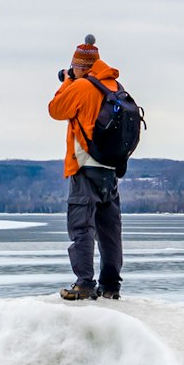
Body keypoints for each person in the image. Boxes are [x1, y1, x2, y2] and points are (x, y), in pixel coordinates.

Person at [48, 35, 123, 300]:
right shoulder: (114, 85)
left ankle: (84, 284)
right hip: (110, 169)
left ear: (81, 66)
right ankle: (111, 286)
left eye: (74, 66)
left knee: (81, 227)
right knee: (109, 230)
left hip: (85, 166)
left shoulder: (82, 87)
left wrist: (69, 81)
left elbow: (56, 109)